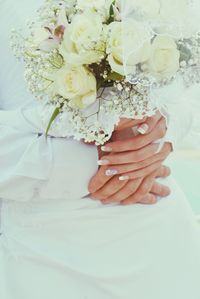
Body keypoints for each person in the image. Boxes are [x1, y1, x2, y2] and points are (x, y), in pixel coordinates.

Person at [1, 1, 200, 298]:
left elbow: (187, 84)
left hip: (160, 233)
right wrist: (103, 164)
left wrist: (161, 134)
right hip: (47, 254)